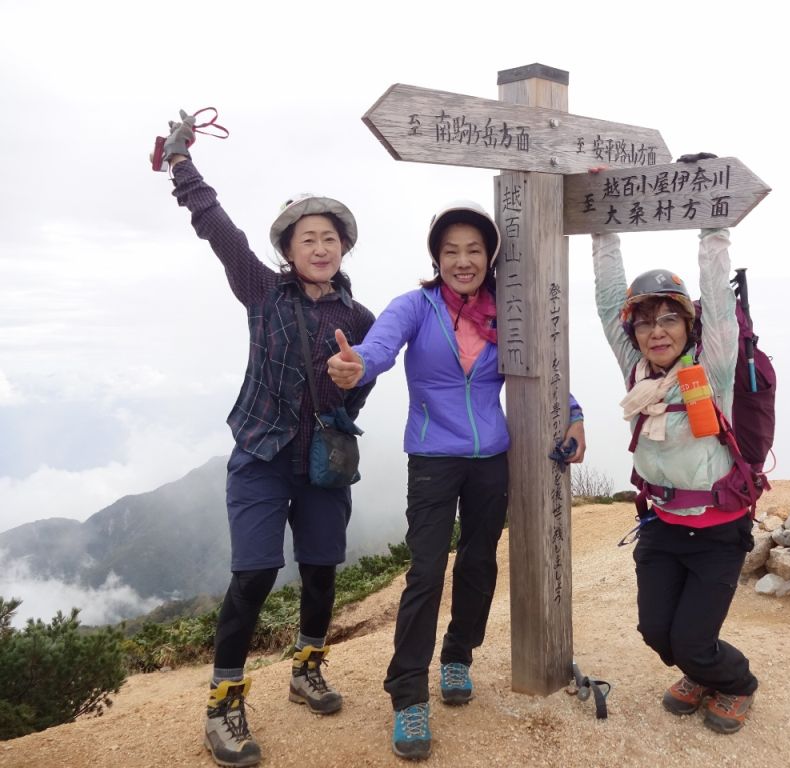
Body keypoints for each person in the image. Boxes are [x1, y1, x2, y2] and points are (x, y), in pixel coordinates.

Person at [155, 112, 376, 767]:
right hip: (260, 455)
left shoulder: (359, 318)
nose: (319, 247)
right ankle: (224, 706)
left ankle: (307, 668)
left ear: (343, 248)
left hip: (323, 463)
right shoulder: (262, 293)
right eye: (307, 237)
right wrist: (180, 165)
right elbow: (216, 228)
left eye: (330, 237)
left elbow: (359, 391)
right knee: (252, 575)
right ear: (287, 248)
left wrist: (351, 380)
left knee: (320, 571)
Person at [328, 200, 586, 760]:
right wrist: (358, 367)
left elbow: (540, 365)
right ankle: (408, 696)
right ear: (437, 258)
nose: (463, 260)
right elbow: (378, 349)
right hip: (432, 458)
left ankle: (458, 657)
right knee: (425, 571)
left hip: (493, 456)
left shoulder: (506, 312)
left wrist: (574, 410)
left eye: (473, 250)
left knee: (477, 561)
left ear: (489, 255)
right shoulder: (415, 308)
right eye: (451, 252)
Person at [590, 203, 758, 734]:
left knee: (690, 640)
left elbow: (718, 296)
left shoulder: (714, 367)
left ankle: (734, 681)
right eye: (644, 321)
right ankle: (698, 666)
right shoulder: (636, 371)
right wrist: (602, 227)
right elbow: (608, 302)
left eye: (669, 318)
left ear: (690, 323)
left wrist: (714, 225)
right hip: (662, 524)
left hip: (718, 530)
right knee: (655, 632)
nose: (655, 331)